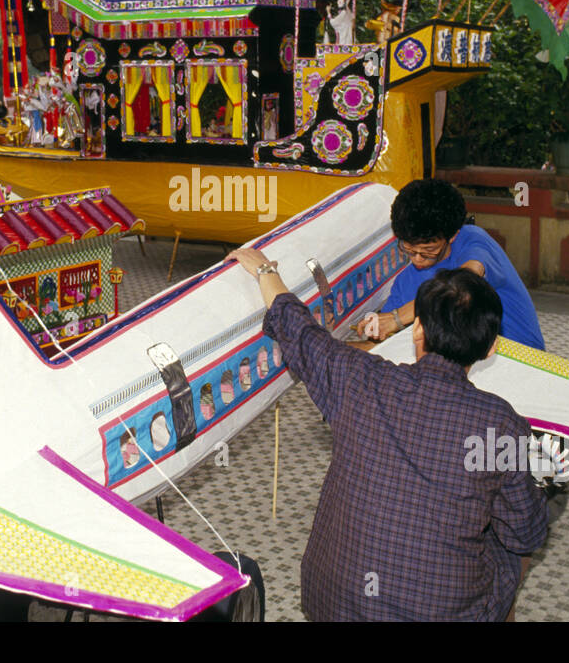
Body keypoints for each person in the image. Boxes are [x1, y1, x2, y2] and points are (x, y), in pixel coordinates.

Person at [229, 248, 549, 621]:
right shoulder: (501, 425)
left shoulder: (361, 379)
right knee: (511, 548)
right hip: (435, 613)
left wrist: (265, 270)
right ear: (492, 347)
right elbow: (525, 533)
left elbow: (300, 331)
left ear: (418, 330)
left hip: (331, 603)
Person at [357, 179, 546, 350]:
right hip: (463, 367)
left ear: (453, 235)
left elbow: (463, 284)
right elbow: (380, 346)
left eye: (428, 251)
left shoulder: (473, 241)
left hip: (521, 360)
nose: (417, 259)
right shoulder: (405, 282)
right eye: (409, 250)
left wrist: (396, 318)